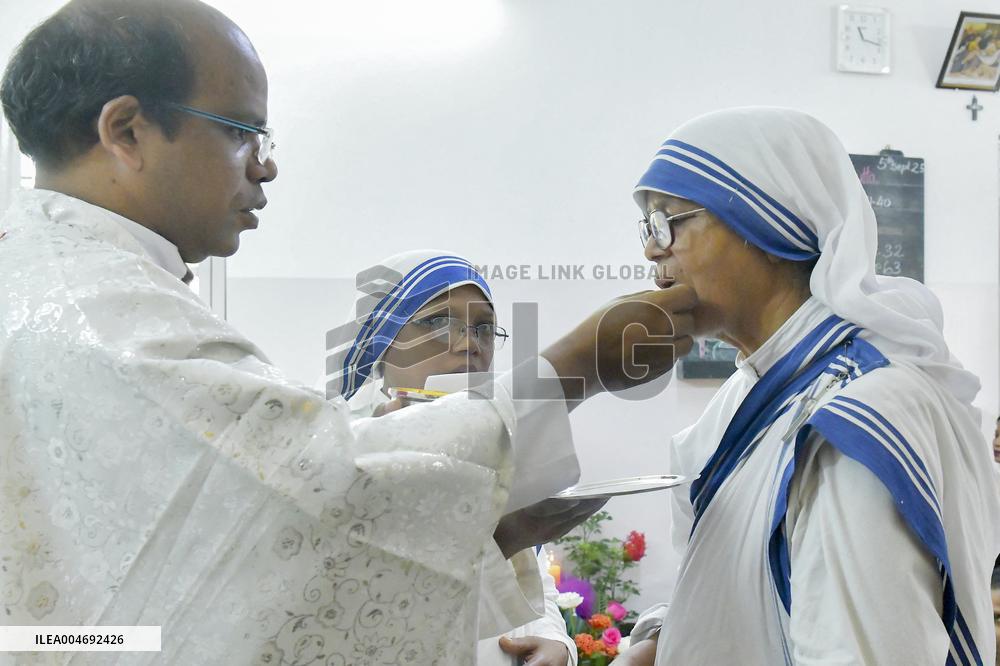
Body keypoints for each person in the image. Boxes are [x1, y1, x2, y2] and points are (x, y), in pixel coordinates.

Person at [0, 0, 697, 662]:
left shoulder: (69, 280)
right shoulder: (99, 314)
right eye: (241, 131)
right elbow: (317, 503)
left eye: (485, 328)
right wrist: (575, 365)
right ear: (126, 132)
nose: (265, 165)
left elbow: (181, 580)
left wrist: (500, 543)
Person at [611, 107, 1000, 665]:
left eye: (672, 221)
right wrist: (657, 643)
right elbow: (744, 597)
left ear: (767, 226)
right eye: (648, 227)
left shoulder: (857, 414)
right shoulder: (743, 398)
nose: (652, 249)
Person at [329, 249, 577, 666]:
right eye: (439, 322)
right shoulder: (338, 445)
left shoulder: (500, 442)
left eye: (484, 328)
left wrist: (554, 640)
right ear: (383, 340)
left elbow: (531, 579)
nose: (469, 345)